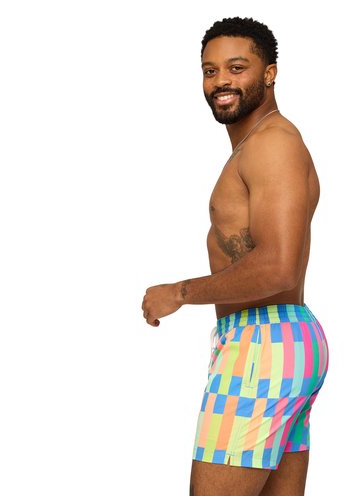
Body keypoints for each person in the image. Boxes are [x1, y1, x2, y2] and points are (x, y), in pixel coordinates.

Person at [141, 17, 329, 496]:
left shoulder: (273, 144)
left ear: (270, 73)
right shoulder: (259, 144)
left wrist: (179, 293)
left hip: (263, 345)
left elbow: (279, 265)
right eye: (210, 70)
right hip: (277, 341)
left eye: (237, 67)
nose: (221, 80)